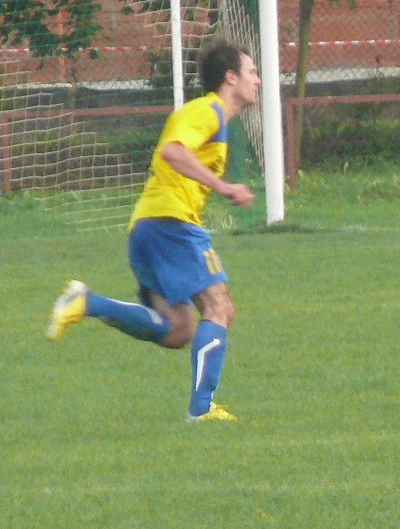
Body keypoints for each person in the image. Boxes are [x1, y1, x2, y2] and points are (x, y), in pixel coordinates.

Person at [46, 38, 261, 422]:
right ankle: (202, 410)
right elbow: (172, 152)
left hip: (148, 226)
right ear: (231, 77)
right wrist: (225, 187)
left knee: (177, 329)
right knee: (219, 306)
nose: (257, 81)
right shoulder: (208, 111)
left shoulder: (212, 118)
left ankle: (87, 303)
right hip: (171, 224)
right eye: (252, 72)